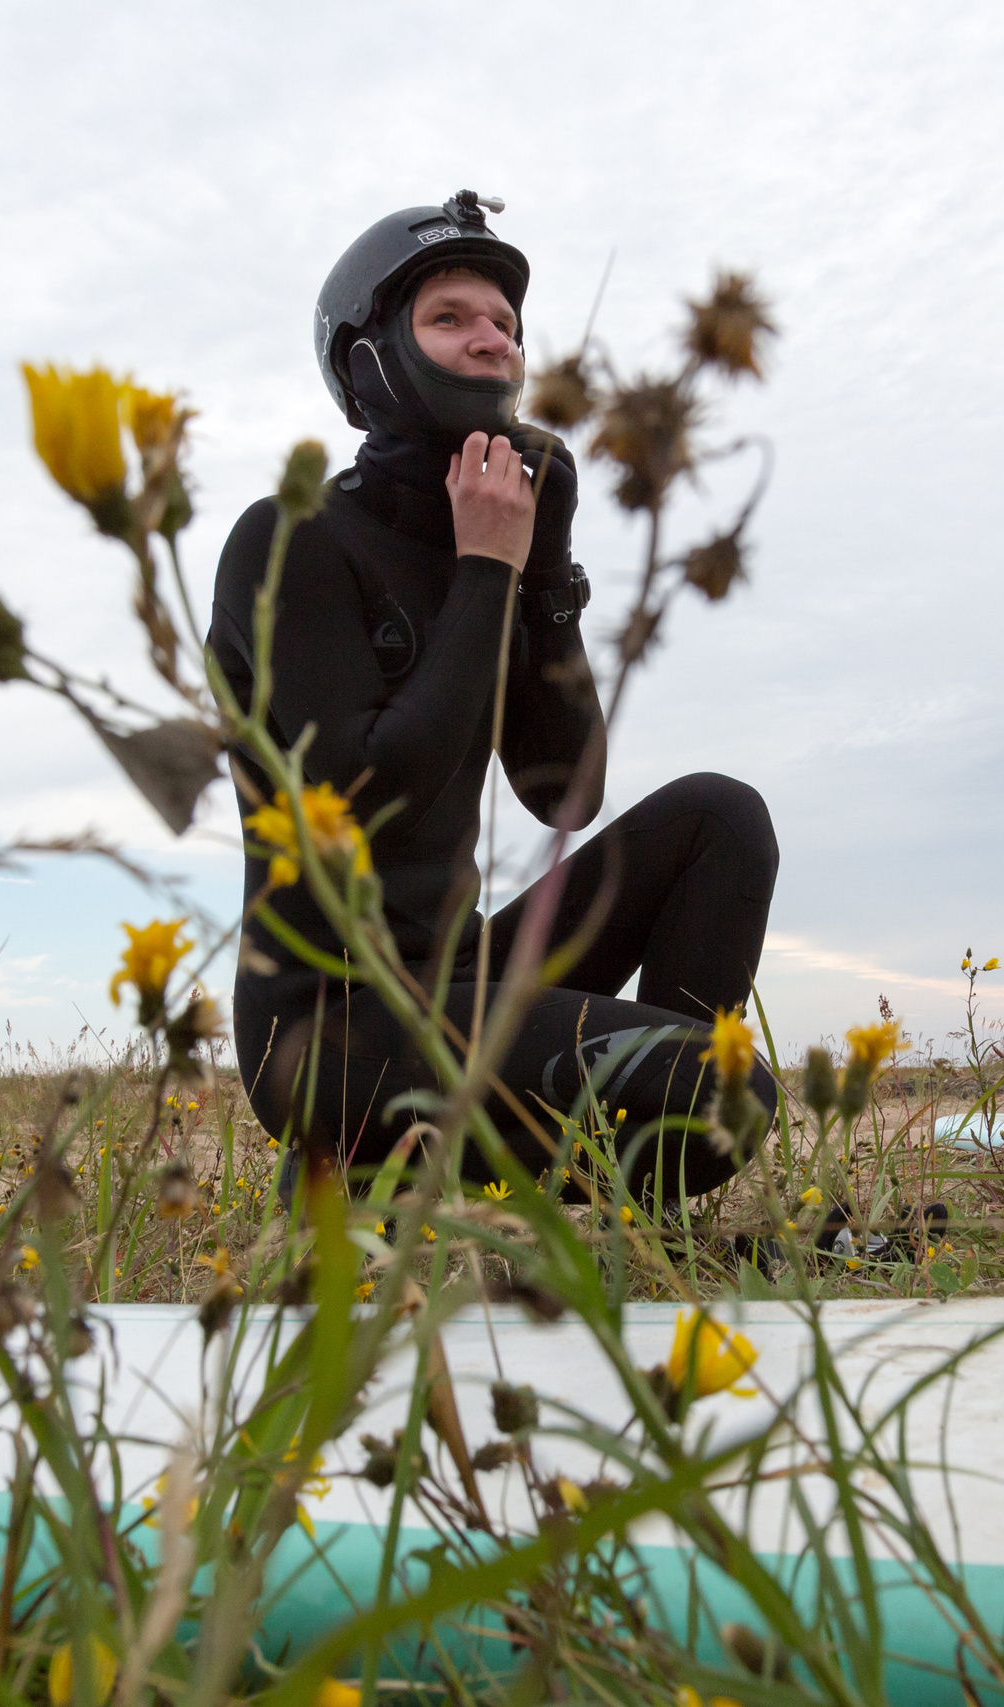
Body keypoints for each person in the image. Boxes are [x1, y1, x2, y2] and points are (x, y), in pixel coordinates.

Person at [208, 190, 780, 1207]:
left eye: (506, 326)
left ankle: (638, 1206)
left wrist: (544, 570)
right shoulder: (289, 541)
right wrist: (487, 571)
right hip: (328, 1028)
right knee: (721, 1088)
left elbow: (563, 794)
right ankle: (360, 1157)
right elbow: (366, 796)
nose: (493, 345)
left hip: (456, 978)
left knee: (718, 819)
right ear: (367, 360)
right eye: (450, 319)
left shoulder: (498, 541)